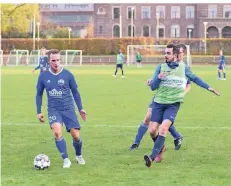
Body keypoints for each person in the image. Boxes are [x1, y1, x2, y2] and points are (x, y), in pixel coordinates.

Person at [143, 44, 220, 168]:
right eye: (165, 53)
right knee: (152, 131)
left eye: (168, 53)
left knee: (163, 128)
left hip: (173, 104)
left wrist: (209, 87)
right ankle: (161, 147)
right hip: (158, 103)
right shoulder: (160, 67)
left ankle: (152, 157)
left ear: (175, 55)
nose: (165, 55)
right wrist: (157, 78)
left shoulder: (183, 68)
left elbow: (195, 79)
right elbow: (153, 87)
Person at [129, 44, 191, 152]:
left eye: (180, 53)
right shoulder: (167, 64)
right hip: (160, 97)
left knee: (161, 121)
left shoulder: (184, 68)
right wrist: (152, 80)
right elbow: (160, 77)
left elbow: (188, 85)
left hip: (172, 99)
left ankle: (170, 140)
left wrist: (181, 94)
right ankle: (136, 142)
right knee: (148, 117)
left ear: (182, 54)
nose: (178, 55)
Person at [36, 49, 87, 168]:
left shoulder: (68, 74)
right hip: (54, 109)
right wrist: (39, 111)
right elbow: (39, 94)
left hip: (68, 108)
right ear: (49, 61)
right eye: (53, 60)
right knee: (57, 132)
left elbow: (75, 92)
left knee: (75, 135)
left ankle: (78, 155)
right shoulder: (43, 76)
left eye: (58, 60)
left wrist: (81, 108)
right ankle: (66, 159)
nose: (56, 62)